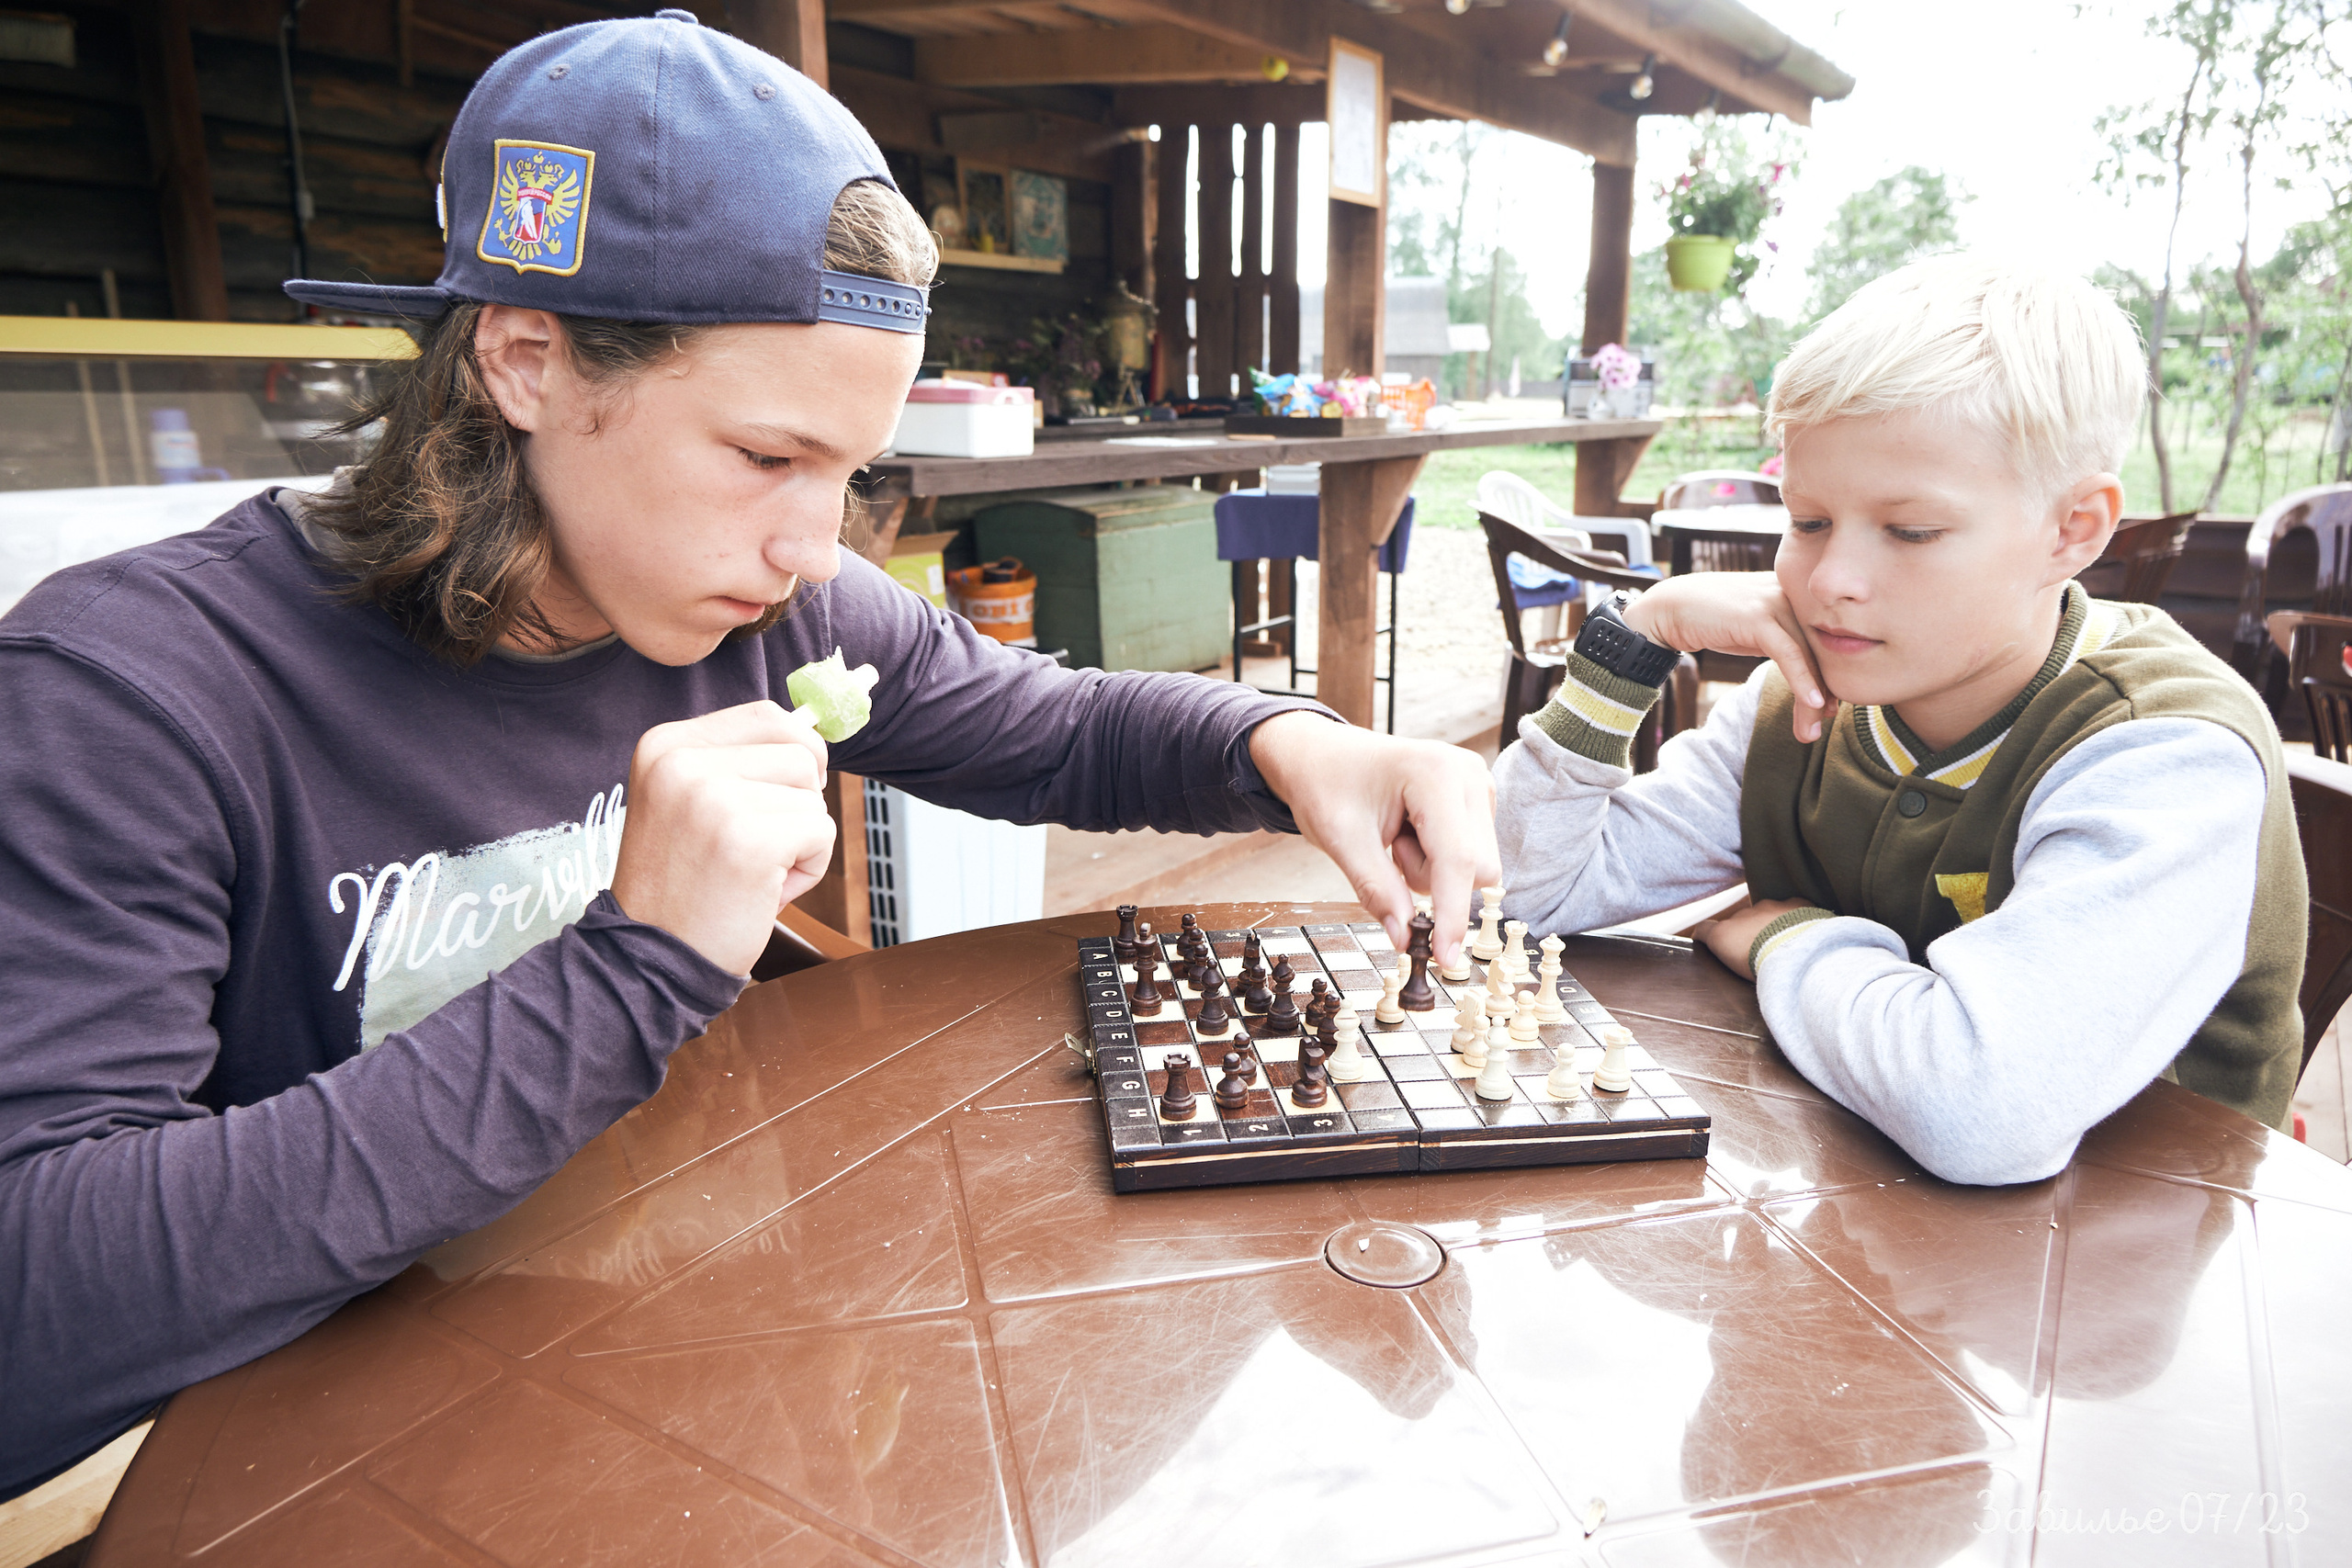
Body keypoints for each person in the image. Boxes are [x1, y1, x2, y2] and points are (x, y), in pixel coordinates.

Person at [0, 12, 1498, 1498]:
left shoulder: (772, 607)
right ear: (525, 360)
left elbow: (1056, 729)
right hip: (328, 1465)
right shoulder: (135, 695)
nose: (811, 548)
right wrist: (632, 964)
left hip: (680, 1377)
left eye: (853, 472)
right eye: (765, 457)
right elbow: (41, 1297)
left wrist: (1296, 741)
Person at [1493, 254, 2304, 1187]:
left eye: (1910, 531)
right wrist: (1639, 638)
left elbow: (1982, 1109)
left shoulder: (2166, 756)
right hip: (1848, 1227)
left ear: (2073, 530)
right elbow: (1523, 895)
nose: (1830, 579)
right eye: (1806, 522)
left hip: (2122, 1279)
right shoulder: (1798, 708)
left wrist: (1781, 937)